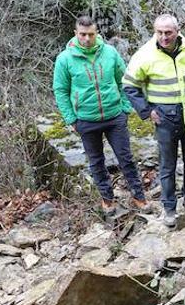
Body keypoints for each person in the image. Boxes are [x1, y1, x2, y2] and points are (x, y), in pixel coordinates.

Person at [52, 15, 150, 217]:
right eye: (82, 34)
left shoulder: (110, 53)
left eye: (90, 34)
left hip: (114, 116)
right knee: (96, 162)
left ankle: (139, 196)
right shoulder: (65, 59)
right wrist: (71, 119)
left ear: (97, 33)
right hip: (86, 119)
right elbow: (60, 90)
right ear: (75, 33)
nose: (87, 39)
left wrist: (125, 108)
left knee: (126, 158)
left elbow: (124, 80)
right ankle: (107, 199)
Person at [123, 14, 185, 227]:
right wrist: (146, 112)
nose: (164, 37)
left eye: (168, 32)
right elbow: (129, 86)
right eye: (159, 32)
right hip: (165, 118)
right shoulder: (144, 55)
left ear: (177, 31)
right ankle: (169, 208)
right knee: (167, 165)